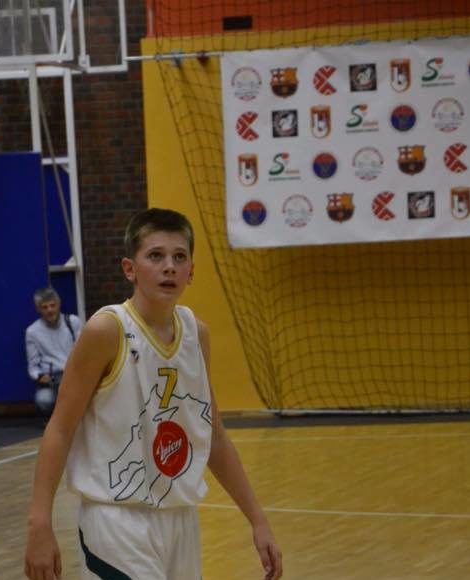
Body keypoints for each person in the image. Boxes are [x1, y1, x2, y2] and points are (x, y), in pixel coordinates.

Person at [24, 208, 282, 580]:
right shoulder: (106, 330)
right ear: (130, 268)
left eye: (179, 257)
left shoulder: (196, 334)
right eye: (156, 256)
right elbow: (60, 428)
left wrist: (258, 520)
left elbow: (214, 437)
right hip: (115, 521)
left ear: (191, 271)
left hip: (180, 519)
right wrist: (39, 523)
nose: (169, 267)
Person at [25, 287, 82, 417]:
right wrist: (39, 376)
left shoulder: (73, 322)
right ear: (38, 309)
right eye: (45, 307)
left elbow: (84, 352)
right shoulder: (32, 332)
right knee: (44, 400)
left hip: (74, 376)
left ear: (58, 304)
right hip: (51, 380)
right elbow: (33, 366)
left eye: (52, 305)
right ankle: (52, 420)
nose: (50, 310)